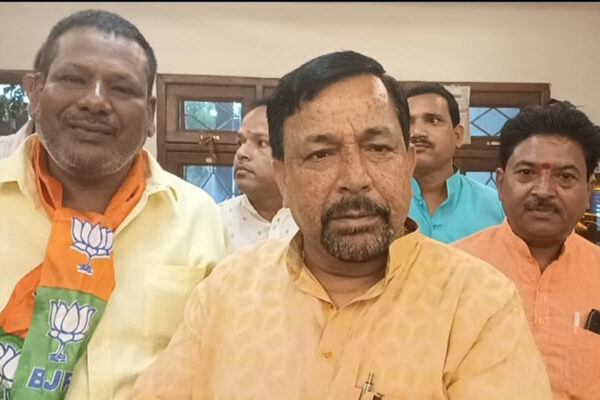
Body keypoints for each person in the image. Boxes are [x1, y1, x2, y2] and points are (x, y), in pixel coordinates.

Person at [132, 50, 550, 399]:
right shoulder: (227, 291)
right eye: (321, 154)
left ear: (407, 163)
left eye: (378, 148)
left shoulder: (477, 303)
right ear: (283, 178)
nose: (355, 177)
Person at [0, 9, 227, 399]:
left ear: (151, 114)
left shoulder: (197, 215)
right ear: (34, 92)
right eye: (73, 79)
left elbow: (217, 359)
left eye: (122, 88)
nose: (95, 101)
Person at [454, 100, 600, 400]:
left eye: (565, 176)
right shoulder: (449, 271)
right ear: (500, 182)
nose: (543, 190)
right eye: (526, 172)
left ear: (589, 190)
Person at [407, 83, 504, 243]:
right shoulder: (381, 204)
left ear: (458, 135)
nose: (417, 132)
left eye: (433, 120)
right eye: (408, 122)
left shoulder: (496, 207)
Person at [219, 102, 297, 251]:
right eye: (240, 143)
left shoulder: (314, 219)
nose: (241, 153)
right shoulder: (216, 221)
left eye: (261, 143)